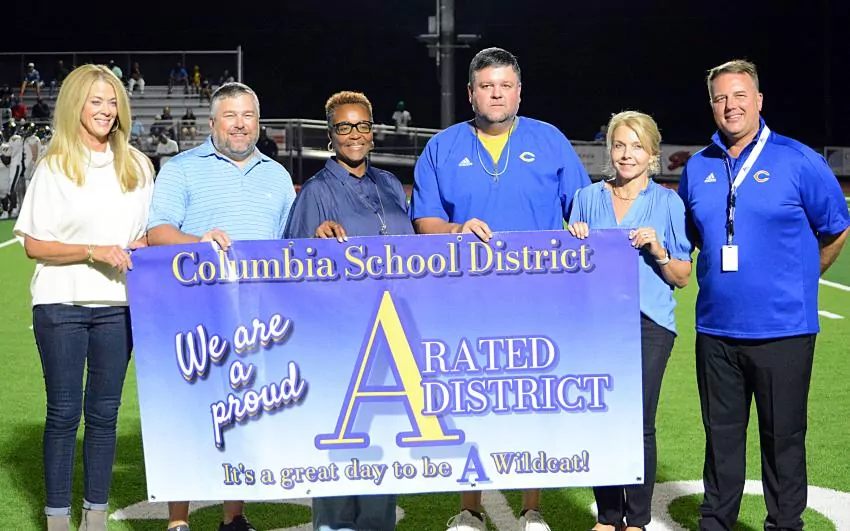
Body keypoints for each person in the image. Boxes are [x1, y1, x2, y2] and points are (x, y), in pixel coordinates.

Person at [409, 46, 591, 531]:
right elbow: (425, 222)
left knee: (532, 400)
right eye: (486, 86)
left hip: (539, 300)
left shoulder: (549, 140)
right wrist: (456, 230)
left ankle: (532, 507)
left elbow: (584, 211)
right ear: (470, 93)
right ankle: (469, 508)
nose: (496, 94)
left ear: (519, 92)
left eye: (505, 85)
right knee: (470, 402)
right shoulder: (442, 147)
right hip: (464, 301)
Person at [677, 59, 850, 531]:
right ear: (711, 105)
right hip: (716, 330)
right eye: (720, 98)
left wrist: (803, 280)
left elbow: (836, 228)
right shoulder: (698, 166)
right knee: (721, 441)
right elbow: (695, 236)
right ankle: (717, 524)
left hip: (784, 330)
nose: (730, 106)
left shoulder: (798, 160)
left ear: (758, 100)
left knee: (783, 439)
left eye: (739, 95)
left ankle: (785, 525)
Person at [147, 81, 296, 531]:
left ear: (258, 122)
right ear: (212, 123)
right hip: (193, 313)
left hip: (257, 317)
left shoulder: (277, 176)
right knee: (188, 413)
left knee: (243, 413)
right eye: (230, 116)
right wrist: (200, 242)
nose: (239, 124)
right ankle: (177, 521)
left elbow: (289, 244)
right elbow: (158, 232)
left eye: (247, 115)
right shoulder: (181, 168)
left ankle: (234, 516)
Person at [12, 63, 154, 531]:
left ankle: (95, 516)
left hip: (119, 306)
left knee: (104, 414)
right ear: (77, 105)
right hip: (61, 305)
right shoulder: (55, 165)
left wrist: (143, 244)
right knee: (64, 413)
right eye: (96, 101)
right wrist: (93, 250)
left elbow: (148, 234)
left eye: (113, 101)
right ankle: (57, 518)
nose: (106, 110)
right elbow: (34, 244)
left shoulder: (138, 165)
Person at [285, 90, 406, 531]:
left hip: (391, 339)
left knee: (381, 455)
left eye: (362, 125)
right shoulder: (316, 192)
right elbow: (289, 267)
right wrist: (314, 241)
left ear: (373, 132)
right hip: (339, 342)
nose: (354, 134)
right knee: (339, 455)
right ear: (331, 136)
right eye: (344, 127)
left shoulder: (390, 185)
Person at [567, 111, 692, 531]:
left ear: (653, 153)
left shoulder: (668, 203)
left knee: (639, 421)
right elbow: (569, 268)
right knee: (602, 414)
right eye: (619, 145)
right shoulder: (587, 198)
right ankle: (608, 516)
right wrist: (573, 239)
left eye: (637, 146)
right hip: (597, 323)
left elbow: (681, 277)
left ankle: (636, 519)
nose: (626, 154)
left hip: (648, 323)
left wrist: (658, 249)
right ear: (609, 149)